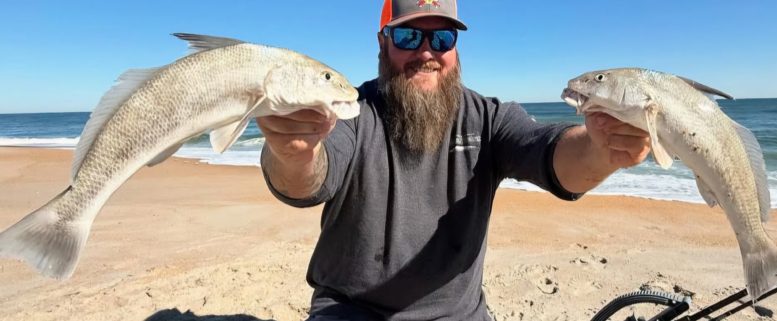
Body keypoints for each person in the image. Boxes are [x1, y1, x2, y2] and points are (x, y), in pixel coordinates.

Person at [256, 0, 650, 320]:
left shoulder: (488, 117)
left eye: (441, 38)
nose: (426, 52)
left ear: (455, 49)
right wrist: (294, 151)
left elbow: (552, 155)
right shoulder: (352, 112)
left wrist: (602, 150)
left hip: (459, 315)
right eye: (409, 36)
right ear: (383, 42)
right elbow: (306, 182)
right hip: (350, 309)